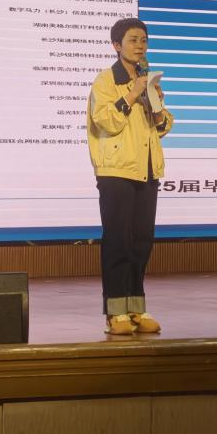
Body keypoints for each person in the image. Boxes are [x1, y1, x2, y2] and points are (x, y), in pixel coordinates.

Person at [86, 17, 174, 335]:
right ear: (116, 45)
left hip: (146, 168)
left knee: (142, 241)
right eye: (133, 40)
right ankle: (115, 312)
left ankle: (136, 308)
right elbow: (106, 121)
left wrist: (157, 107)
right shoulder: (106, 80)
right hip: (116, 170)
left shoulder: (146, 80)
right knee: (118, 241)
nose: (140, 46)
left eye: (144, 40)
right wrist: (132, 94)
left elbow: (162, 127)